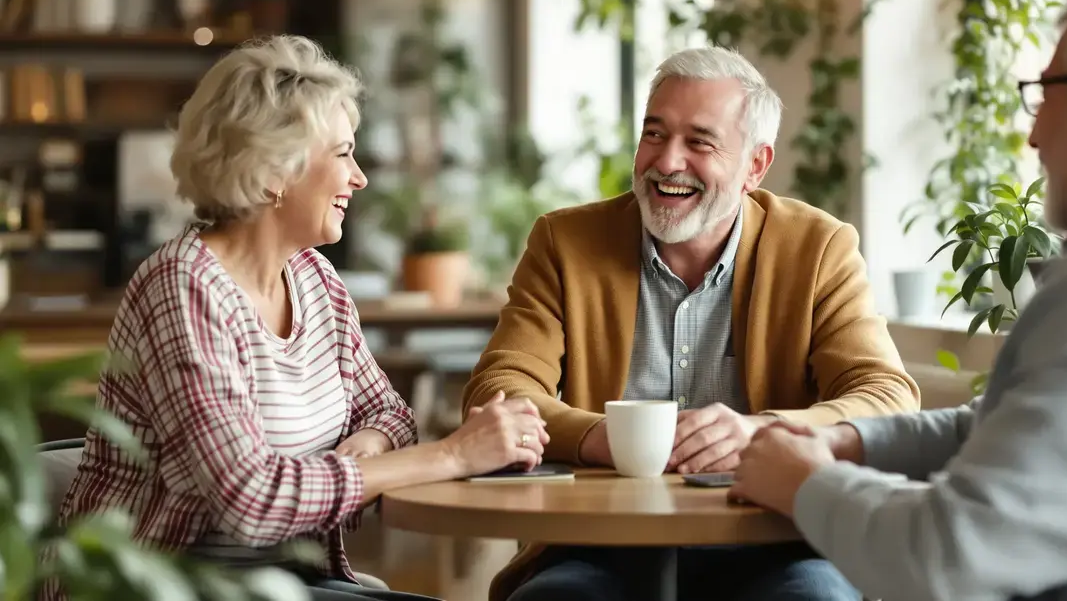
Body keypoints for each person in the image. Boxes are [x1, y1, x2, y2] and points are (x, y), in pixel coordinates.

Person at [730, 0, 1067, 601]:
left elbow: (951, 559)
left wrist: (807, 482)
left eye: (1044, 93)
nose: (1032, 132)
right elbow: (1002, 425)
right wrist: (846, 441)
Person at [41, 35, 549, 601]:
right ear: (272, 171)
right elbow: (249, 499)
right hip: (157, 586)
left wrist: (366, 448)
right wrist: (453, 454)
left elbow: (390, 412)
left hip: (281, 582)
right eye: (342, 154)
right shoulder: (183, 287)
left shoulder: (314, 278)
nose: (358, 178)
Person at [462, 45, 921, 601]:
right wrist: (608, 439)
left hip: (776, 540)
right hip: (600, 544)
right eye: (654, 134)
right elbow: (499, 390)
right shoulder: (565, 243)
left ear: (755, 165)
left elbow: (888, 394)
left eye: (699, 142)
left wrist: (762, 432)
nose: (666, 161)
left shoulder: (819, 247)